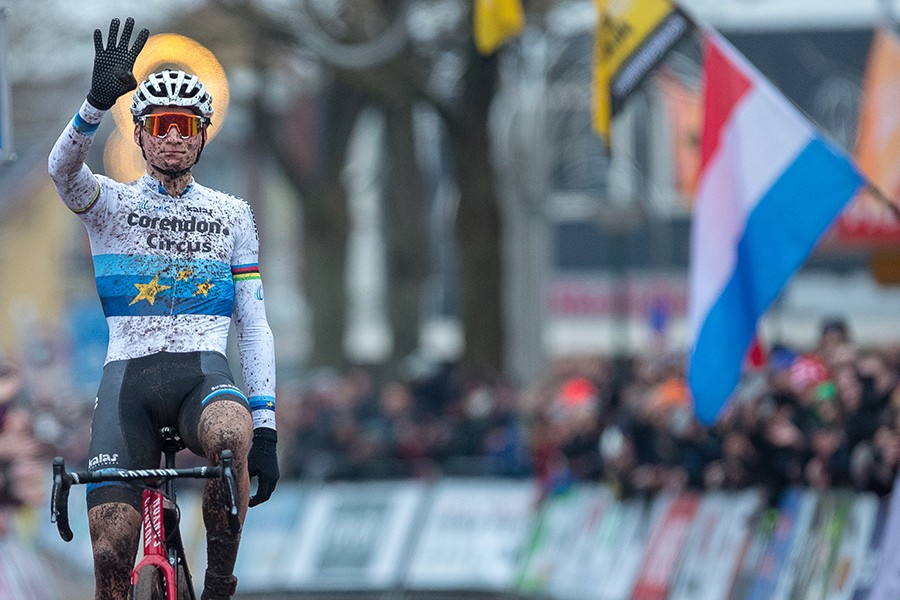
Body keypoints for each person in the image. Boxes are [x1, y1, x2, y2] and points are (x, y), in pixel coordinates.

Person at [47, 18, 279, 600]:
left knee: (232, 432)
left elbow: (252, 323)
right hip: (127, 382)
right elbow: (61, 171)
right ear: (142, 135)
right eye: (160, 125)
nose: (173, 137)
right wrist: (94, 105)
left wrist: (267, 426)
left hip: (201, 376)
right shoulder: (111, 204)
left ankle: (220, 582)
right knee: (108, 555)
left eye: (185, 126)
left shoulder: (233, 215)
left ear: (201, 137)